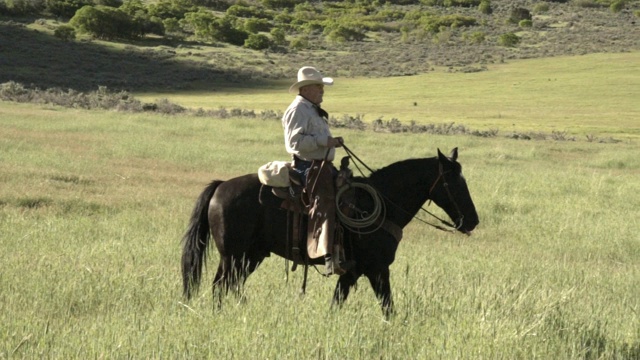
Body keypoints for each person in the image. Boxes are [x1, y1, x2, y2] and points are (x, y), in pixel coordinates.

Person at [281, 66, 347, 276]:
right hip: (307, 166)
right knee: (325, 201)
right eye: (319, 87)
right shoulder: (298, 109)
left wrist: (330, 143)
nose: (322, 91)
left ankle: (343, 246)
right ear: (307, 89)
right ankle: (327, 255)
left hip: (321, 165)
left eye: (321, 87)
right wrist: (324, 141)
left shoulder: (310, 108)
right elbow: (294, 143)